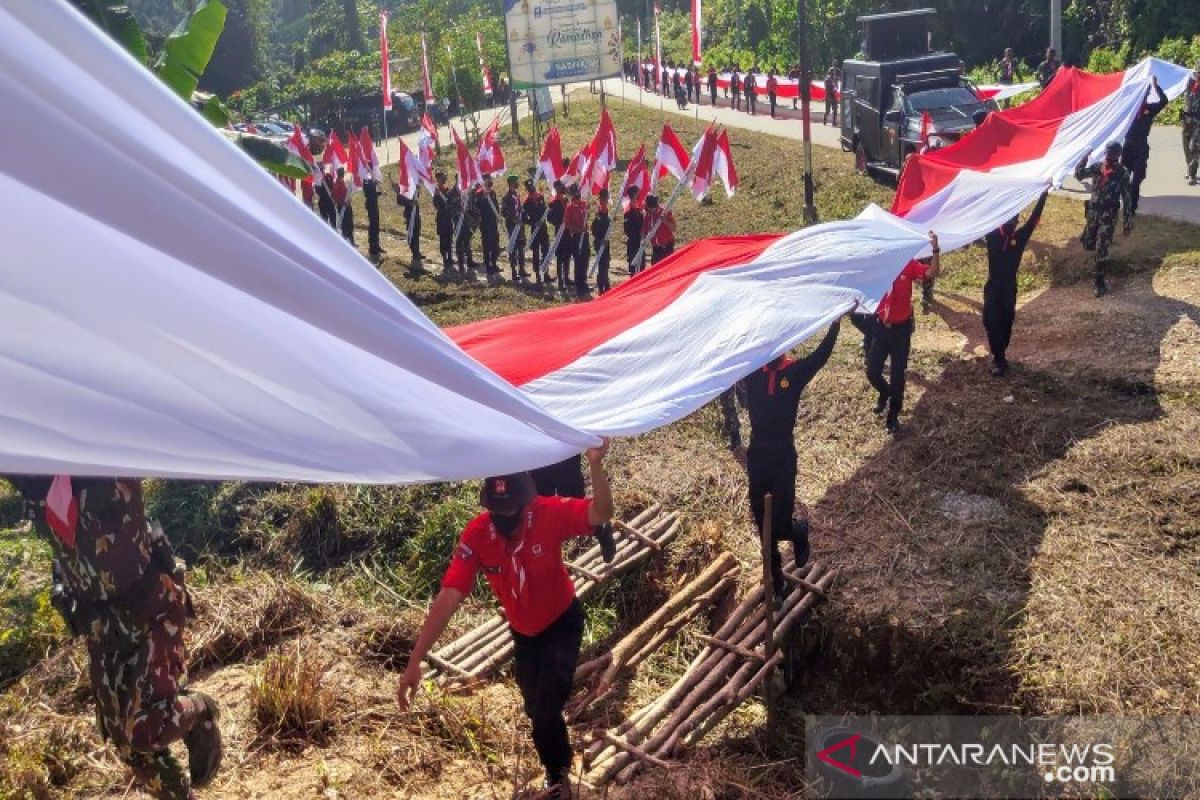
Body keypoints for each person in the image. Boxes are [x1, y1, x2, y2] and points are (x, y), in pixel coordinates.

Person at [397, 447, 615, 799]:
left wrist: (595, 464)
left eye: (510, 511)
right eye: (497, 512)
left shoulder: (547, 513)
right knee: (533, 707)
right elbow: (450, 594)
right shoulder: (478, 535)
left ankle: (558, 776)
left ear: (525, 501)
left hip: (561, 622)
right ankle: (555, 758)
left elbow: (601, 511)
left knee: (545, 710)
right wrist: (415, 659)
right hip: (524, 633)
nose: (505, 519)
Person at [5, 476, 223, 800]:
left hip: (149, 606)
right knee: (126, 744)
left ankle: (201, 711)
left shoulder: (101, 447)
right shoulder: (32, 462)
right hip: (100, 620)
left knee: (144, 730)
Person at [718, 321, 842, 601]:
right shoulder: (752, 373)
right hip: (758, 455)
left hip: (783, 455)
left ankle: (798, 531)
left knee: (781, 520)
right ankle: (777, 583)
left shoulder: (794, 373)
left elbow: (820, 357)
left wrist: (835, 324)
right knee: (763, 525)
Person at [865, 231, 942, 435]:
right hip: (881, 327)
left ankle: (893, 416)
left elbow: (932, 272)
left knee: (898, 376)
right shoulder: (877, 267)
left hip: (900, 331)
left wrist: (935, 248)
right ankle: (884, 393)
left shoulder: (908, 264)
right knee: (872, 371)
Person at [983, 191, 1048, 377]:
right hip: (994, 287)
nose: (1013, 223)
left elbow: (1034, 220)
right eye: (1010, 219)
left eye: (1015, 220)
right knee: (990, 321)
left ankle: (1000, 355)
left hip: (1009, 288)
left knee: (1006, 322)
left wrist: (1043, 196)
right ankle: (999, 357)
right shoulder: (993, 235)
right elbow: (985, 214)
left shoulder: (1018, 238)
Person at [1075, 142, 1133, 297]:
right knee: (1089, 243)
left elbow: (1127, 198)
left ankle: (1099, 280)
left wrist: (1128, 222)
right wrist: (1083, 159)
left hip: (1108, 215)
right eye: (1108, 154)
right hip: (1093, 212)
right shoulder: (1097, 167)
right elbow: (1079, 175)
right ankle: (1089, 243)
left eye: (1113, 154)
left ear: (1118, 155)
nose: (1110, 157)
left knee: (1102, 245)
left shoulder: (1122, 173)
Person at [1122, 76, 1168, 216]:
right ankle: (1125, 205)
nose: (1144, 96)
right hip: (1128, 146)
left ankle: (1132, 208)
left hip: (1141, 146)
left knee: (1136, 180)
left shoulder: (1149, 108)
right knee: (1124, 178)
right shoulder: (1128, 108)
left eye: (1146, 93)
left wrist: (1155, 86)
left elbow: (1164, 101)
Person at [564, 184, 590, 297]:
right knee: (578, 261)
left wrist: (585, 225)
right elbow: (568, 225)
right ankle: (578, 285)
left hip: (585, 236)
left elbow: (586, 217)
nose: (577, 195)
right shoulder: (569, 208)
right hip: (575, 237)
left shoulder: (584, 204)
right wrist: (579, 229)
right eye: (575, 193)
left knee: (585, 259)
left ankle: (583, 282)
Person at [391, 180, 424, 265]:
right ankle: (414, 252)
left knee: (417, 231)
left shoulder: (413, 185)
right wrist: (410, 203)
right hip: (409, 213)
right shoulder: (404, 185)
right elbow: (400, 201)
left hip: (416, 212)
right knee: (412, 232)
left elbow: (416, 196)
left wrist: (417, 188)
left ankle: (417, 251)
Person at [502, 175, 528, 281]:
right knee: (513, 248)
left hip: (520, 225)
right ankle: (514, 271)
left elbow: (519, 209)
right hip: (512, 226)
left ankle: (522, 269)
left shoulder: (516, 195)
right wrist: (514, 220)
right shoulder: (506, 197)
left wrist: (523, 216)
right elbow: (504, 212)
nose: (518, 183)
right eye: (516, 181)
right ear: (511, 183)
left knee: (521, 247)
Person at [476, 177, 502, 281]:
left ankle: (494, 263)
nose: (490, 181)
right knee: (487, 244)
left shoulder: (492, 192)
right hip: (485, 222)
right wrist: (483, 197)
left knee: (495, 243)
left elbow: (496, 205)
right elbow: (478, 206)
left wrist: (497, 216)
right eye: (488, 179)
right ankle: (488, 266)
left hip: (493, 221)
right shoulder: (479, 193)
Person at [524, 179, 550, 281]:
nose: (531, 188)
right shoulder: (527, 202)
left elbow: (544, 210)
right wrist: (533, 223)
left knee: (546, 251)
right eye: (529, 187)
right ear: (527, 189)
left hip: (543, 228)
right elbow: (524, 217)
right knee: (536, 252)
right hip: (535, 229)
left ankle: (546, 273)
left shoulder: (540, 197)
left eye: (532, 186)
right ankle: (538, 275)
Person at [548, 180, 569, 290]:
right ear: (556, 188)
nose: (562, 188)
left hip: (567, 230)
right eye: (560, 186)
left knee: (567, 255)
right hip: (559, 230)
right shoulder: (554, 202)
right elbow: (550, 218)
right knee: (560, 256)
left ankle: (566, 277)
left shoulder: (565, 199)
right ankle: (560, 280)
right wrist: (559, 222)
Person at [644, 194, 676, 265]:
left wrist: (665, 221)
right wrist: (644, 239)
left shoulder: (664, 213)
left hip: (667, 247)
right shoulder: (647, 216)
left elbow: (674, 228)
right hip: (656, 249)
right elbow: (644, 231)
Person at [433, 171, 455, 271]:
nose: (444, 178)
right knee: (443, 239)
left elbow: (451, 201)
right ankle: (445, 258)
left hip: (448, 217)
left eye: (444, 177)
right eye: (442, 177)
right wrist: (438, 196)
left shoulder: (446, 189)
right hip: (442, 218)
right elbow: (436, 205)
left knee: (449, 238)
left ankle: (450, 257)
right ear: (438, 179)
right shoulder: (437, 191)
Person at [591, 188, 612, 294]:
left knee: (606, 263)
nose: (607, 199)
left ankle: (606, 284)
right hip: (600, 242)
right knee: (602, 264)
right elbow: (594, 229)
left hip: (606, 241)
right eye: (606, 197)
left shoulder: (605, 210)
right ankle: (601, 286)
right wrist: (600, 240)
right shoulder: (599, 211)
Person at [1183, 63, 1200, 185]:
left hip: (1198, 120)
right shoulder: (1190, 83)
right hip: (1187, 119)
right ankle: (1189, 169)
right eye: (1196, 72)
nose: (1196, 74)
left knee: (1194, 147)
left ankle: (1192, 175)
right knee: (1186, 146)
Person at [623, 185, 645, 275]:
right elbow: (627, 229)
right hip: (633, 242)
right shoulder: (629, 210)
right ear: (635, 194)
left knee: (641, 267)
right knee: (634, 268)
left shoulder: (638, 209)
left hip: (640, 241)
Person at [363, 171, 384, 258]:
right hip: (370, 204)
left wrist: (380, 193)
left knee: (376, 224)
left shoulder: (371, 178)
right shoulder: (366, 179)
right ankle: (372, 248)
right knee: (373, 225)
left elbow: (373, 193)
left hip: (374, 203)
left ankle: (377, 244)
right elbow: (367, 192)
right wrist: (373, 183)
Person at [331, 166, 354, 244]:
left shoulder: (341, 182)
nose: (343, 174)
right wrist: (341, 202)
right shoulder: (337, 183)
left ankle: (351, 240)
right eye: (342, 173)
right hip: (343, 207)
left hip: (346, 205)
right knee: (345, 224)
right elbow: (334, 196)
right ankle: (345, 242)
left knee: (349, 224)